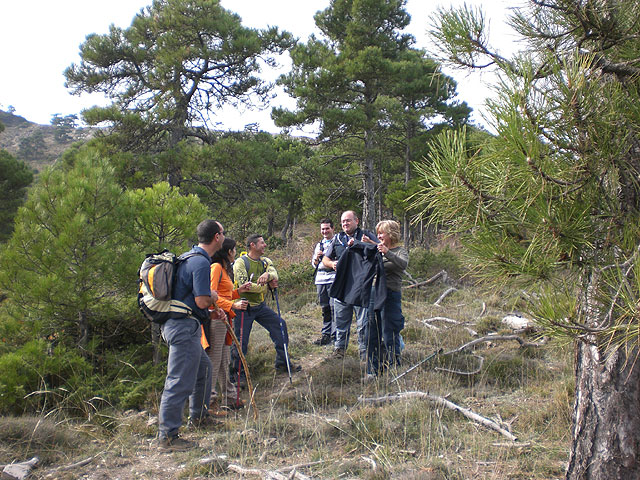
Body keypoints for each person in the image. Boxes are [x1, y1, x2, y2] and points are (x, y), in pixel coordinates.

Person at [157, 219, 225, 452]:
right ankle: (168, 437)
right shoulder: (200, 263)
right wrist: (214, 297)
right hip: (183, 328)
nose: (224, 237)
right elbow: (201, 300)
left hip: (182, 325)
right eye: (222, 233)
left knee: (203, 369)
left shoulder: (189, 257)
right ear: (217, 237)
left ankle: (199, 417)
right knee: (178, 381)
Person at [230, 234, 301, 387]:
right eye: (262, 243)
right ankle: (237, 376)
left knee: (280, 325)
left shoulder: (265, 262)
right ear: (252, 245)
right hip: (243, 307)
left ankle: (283, 362)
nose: (265, 245)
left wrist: (268, 275)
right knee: (241, 342)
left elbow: (275, 274)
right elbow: (244, 285)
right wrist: (265, 285)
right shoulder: (240, 263)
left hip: (260, 306)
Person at [322, 210, 378, 359]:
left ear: (356, 221)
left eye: (348, 220)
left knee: (363, 323)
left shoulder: (366, 235)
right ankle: (339, 350)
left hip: (362, 287)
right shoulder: (338, 239)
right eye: (343, 221)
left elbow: (379, 249)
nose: (345, 223)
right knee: (340, 321)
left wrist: (367, 243)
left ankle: (364, 353)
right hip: (342, 286)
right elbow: (325, 259)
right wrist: (332, 264)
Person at [208, 238, 251, 413]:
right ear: (228, 252)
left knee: (224, 359)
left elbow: (223, 294)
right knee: (215, 359)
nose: (235, 253)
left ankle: (230, 397)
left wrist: (238, 292)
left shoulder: (224, 270)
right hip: (216, 319)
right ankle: (209, 401)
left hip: (224, 318)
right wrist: (233, 305)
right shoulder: (216, 268)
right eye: (234, 250)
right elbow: (211, 296)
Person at [363, 220, 408, 379]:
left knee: (390, 333)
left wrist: (387, 252)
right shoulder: (377, 249)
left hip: (390, 295)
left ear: (391, 234)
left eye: (382, 233)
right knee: (371, 333)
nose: (379, 236)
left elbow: (403, 264)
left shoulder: (400, 251)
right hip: (374, 294)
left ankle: (394, 369)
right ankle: (372, 370)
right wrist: (368, 244)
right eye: (378, 233)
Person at [311, 219, 336, 345]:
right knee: (325, 308)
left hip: (333, 279)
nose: (325, 231)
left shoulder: (337, 242)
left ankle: (335, 335)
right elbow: (313, 264)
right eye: (323, 229)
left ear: (332, 228)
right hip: (320, 280)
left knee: (334, 308)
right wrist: (316, 258)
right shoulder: (319, 245)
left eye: (327, 228)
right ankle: (326, 334)